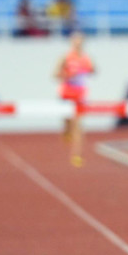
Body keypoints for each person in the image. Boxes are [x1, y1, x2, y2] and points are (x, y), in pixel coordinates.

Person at [54, 31, 95, 167]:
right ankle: (66, 130)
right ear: (72, 43)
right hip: (66, 93)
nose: (78, 44)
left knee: (78, 126)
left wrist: (87, 70)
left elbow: (93, 71)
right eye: (76, 41)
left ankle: (77, 155)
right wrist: (68, 75)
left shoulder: (86, 58)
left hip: (80, 95)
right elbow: (55, 74)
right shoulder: (65, 57)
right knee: (68, 123)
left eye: (80, 41)